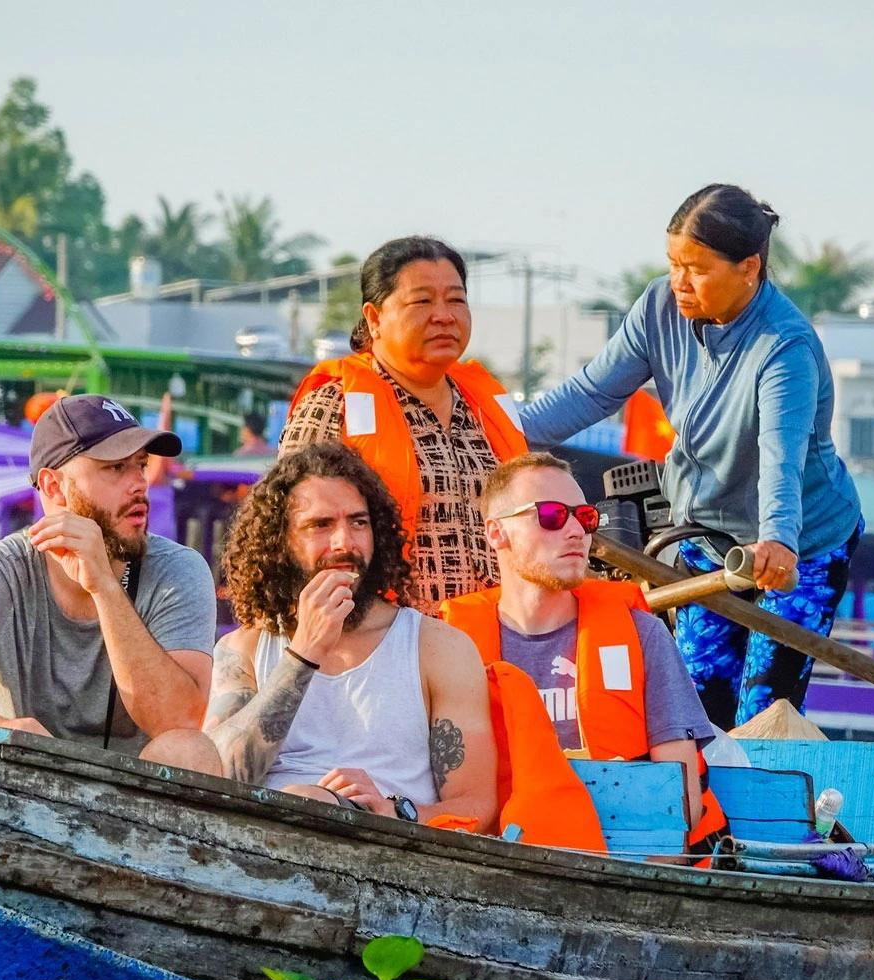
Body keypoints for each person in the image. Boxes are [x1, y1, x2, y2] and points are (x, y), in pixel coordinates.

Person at [518, 184, 864, 728]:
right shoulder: (659, 306)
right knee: (697, 707)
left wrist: (778, 540)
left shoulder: (784, 347)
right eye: (674, 263)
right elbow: (592, 392)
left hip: (799, 547)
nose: (679, 281)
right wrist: (498, 435)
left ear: (749, 268)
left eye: (697, 269)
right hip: (706, 539)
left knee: (763, 714)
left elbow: (781, 455)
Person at [0, 394, 221, 771]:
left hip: (138, 798)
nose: (139, 483)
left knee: (190, 750)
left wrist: (105, 588)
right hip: (19, 787)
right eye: (116, 467)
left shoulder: (178, 570)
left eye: (141, 465)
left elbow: (179, 722)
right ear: (54, 487)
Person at [203, 442, 498, 827]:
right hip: (260, 842)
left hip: (389, 844)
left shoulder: (437, 647)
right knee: (176, 751)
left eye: (359, 523)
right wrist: (304, 653)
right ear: (280, 542)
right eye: (321, 525)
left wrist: (394, 811)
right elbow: (214, 779)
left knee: (308, 800)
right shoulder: (244, 648)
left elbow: (477, 805)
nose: (345, 542)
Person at [440, 453, 726, 849]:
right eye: (552, 515)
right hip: (494, 857)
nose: (576, 531)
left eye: (585, 517)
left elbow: (679, 809)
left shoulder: (643, 634)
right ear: (496, 532)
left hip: (625, 862)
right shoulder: (450, 647)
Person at [280, 236, 528, 613]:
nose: (444, 315)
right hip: (382, 633)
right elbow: (292, 529)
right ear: (374, 318)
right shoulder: (334, 404)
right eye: (422, 301)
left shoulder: (485, 404)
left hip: (493, 632)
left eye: (456, 300)